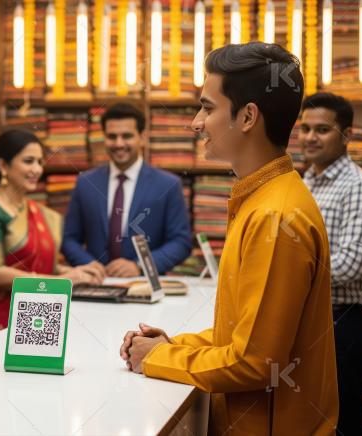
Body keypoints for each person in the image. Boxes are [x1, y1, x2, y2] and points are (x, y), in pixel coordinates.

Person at [120, 42, 338, 434]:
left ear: (248, 116)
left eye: (208, 107)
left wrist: (156, 359)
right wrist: (174, 345)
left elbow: (255, 363)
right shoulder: (263, 199)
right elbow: (242, 337)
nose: (196, 123)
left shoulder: (275, 217)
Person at [0, 129, 104, 347]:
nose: (37, 169)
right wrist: (67, 280)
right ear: (3, 165)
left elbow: (38, 266)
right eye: (28, 161)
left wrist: (80, 272)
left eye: (40, 162)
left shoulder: (35, 210)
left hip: (34, 316)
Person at [300, 92, 362, 435]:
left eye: (322, 129)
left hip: (343, 321)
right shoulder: (305, 182)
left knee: (341, 417)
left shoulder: (359, 188)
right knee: (311, 415)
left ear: (347, 135)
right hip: (311, 315)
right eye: (304, 128)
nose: (309, 137)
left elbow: (350, 265)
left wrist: (289, 273)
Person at [62, 103, 191, 277]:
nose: (119, 143)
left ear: (142, 137)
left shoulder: (168, 184)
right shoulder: (86, 183)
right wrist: (90, 265)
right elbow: (69, 239)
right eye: (112, 136)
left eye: (127, 136)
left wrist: (140, 266)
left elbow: (181, 242)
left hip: (144, 286)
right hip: (96, 285)